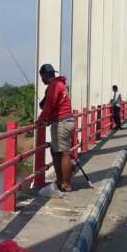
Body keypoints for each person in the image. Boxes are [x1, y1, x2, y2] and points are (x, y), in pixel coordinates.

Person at [37, 63, 74, 197]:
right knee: (56, 151)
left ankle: (66, 184)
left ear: (45, 75)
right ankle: (61, 181)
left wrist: (42, 119)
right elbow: (52, 104)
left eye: (41, 76)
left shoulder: (54, 86)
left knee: (64, 153)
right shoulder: (60, 84)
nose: (41, 79)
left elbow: (50, 104)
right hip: (65, 121)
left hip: (61, 123)